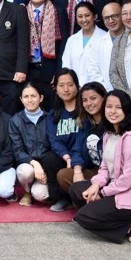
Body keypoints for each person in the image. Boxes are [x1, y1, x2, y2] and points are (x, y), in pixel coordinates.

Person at [68, 90, 131, 244]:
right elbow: (105, 168)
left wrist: (102, 193)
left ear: (127, 110)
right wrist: (96, 185)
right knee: (76, 189)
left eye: (118, 107)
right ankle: (104, 215)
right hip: (113, 187)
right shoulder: (109, 134)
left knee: (84, 217)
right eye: (109, 107)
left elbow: (128, 180)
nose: (113, 111)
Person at [41, 70, 86, 212]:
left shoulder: (84, 111)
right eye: (61, 85)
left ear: (77, 87)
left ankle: (77, 198)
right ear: (55, 88)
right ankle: (61, 198)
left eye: (70, 85)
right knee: (49, 158)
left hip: (83, 156)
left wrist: (75, 159)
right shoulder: (53, 114)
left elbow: (82, 138)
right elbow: (54, 140)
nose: (66, 89)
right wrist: (66, 157)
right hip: (65, 157)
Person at [58, 82, 107, 202]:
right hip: (93, 170)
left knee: (78, 192)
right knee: (63, 175)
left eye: (93, 98)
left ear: (104, 98)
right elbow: (77, 150)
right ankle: (91, 200)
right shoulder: (85, 123)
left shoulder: (111, 122)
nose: (89, 103)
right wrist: (77, 171)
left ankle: (97, 201)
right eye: (85, 100)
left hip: (109, 173)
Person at [8, 83, 50, 206]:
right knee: (24, 172)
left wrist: (46, 169)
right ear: (21, 99)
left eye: (33, 96)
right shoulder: (15, 120)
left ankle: (37, 189)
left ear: (41, 98)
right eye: (26, 96)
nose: (30, 100)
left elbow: (54, 147)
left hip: (46, 165)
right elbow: (17, 150)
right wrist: (35, 164)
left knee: (40, 195)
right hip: (27, 164)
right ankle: (27, 191)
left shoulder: (50, 118)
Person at [24, 0, 61, 107]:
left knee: (51, 106)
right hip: (29, 69)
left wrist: (59, 72)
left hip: (50, 70)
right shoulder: (21, 12)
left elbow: (63, 45)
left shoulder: (58, 11)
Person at [60, 1, 110, 87]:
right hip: (75, 89)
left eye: (87, 15)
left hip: (98, 89)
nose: (84, 20)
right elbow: (66, 66)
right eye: (80, 16)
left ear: (95, 16)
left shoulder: (105, 38)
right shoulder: (71, 40)